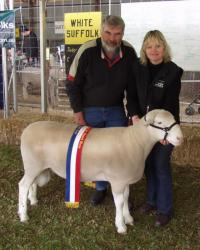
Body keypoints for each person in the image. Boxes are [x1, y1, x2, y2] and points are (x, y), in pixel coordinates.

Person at [66, 15, 137, 206]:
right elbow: (72, 84)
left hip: (116, 110)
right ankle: (100, 189)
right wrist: (78, 112)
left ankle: (120, 191)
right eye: (108, 33)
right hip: (90, 110)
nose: (112, 38)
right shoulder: (87, 50)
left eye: (117, 34)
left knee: (117, 152)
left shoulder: (129, 52)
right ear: (101, 31)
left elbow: (133, 88)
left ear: (122, 33)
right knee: (95, 152)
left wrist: (132, 113)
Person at [127, 30, 183, 227]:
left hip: (164, 128)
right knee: (148, 165)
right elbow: (131, 96)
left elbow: (171, 106)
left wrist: (165, 133)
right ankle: (151, 201)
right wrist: (133, 116)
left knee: (160, 164)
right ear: (144, 49)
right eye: (149, 46)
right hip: (142, 128)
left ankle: (165, 209)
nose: (154, 50)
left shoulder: (173, 71)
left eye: (158, 46)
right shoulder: (137, 67)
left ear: (164, 48)